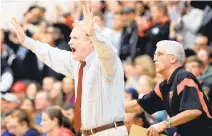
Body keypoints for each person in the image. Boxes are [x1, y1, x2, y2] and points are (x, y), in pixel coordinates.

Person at [11, 4, 127, 136]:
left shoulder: (108, 62)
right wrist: (27, 41)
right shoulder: (78, 64)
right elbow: (50, 53)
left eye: (75, 38)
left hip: (110, 132)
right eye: (70, 38)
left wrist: (93, 35)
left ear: (90, 42)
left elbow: (107, 52)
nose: (70, 42)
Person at [125, 40, 212, 136]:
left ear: (173, 59)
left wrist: (165, 124)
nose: (154, 59)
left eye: (159, 54)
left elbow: (194, 111)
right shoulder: (164, 86)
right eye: (154, 55)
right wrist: (111, 108)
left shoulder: (184, 76)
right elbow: (139, 105)